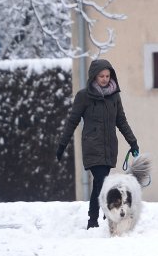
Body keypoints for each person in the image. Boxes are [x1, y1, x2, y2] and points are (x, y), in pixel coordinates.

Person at [56, 58, 139, 229]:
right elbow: (72, 121)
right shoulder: (84, 96)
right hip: (92, 146)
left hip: (109, 147)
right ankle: (100, 216)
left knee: (99, 183)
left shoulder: (114, 96)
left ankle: (93, 218)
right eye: (101, 76)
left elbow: (121, 121)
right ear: (94, 76)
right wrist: (62, 144)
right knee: (101, 179)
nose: (105, 79)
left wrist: (133, 142)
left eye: (108, 76)